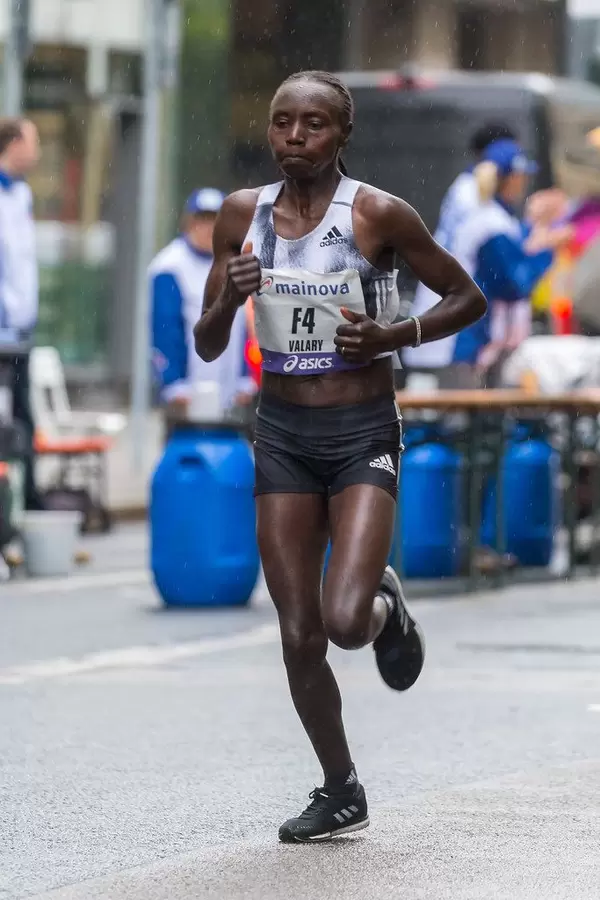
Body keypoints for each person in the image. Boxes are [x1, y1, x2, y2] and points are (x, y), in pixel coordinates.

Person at [194, 70, 486, 843]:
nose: (295, 136)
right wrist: (228, 295)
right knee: (300, 634)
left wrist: (394, 335)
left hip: (361, 432)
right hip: (283, 434)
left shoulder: (377, 214)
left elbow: (467, 297)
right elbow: (208, 342)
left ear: (342, 134)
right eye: (282, 122)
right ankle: (340, 787)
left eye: (314, 124)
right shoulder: (241, 215)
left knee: (347, 622)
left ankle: (384, 602)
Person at [403, 121, 516, 373]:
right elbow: (510, 277)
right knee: (456, 391)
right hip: (457, 323)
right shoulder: (482, 202)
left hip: (437, 305)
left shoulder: (463, 186)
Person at [150, 188, 257, 432]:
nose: (208, 228)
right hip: (186, 394)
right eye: (202, 220)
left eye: (215, 221)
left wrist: (244, 377)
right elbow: (165, 329)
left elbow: (242, 324)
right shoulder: (170, 266)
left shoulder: (236, 261)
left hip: (230, 393)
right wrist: (173, 382)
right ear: (189, 222)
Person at [450, 139, 544, 385]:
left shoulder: (495, 216)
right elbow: (514, 285)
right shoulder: (490, 222)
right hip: (472, 339)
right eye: (520, 176)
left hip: (475, 336)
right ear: (508, 179)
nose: (524, 182)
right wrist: (545, 252)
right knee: (468, 405)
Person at [0, 117, 42, 511]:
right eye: (33, 142)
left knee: (22, 420)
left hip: (19, 335)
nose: (37, 152)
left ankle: (26, 500)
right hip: (2, 334)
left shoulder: (22, 194)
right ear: (14, 144)